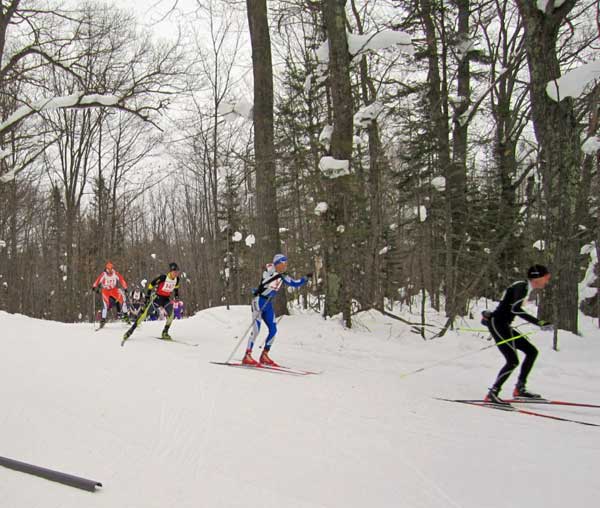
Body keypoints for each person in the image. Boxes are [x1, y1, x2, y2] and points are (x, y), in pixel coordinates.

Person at [483, 264, 553, 404]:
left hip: (504, 325)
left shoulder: (524, 288)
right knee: (512, 361)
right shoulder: (522, 287)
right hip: (498, 325)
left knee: (531, 351)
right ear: (537, 277)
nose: (547, 281)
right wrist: (538, 322)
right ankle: (493, 393)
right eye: (546, 277)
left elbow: (509, 305)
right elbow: (515, 309)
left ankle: (519, 389)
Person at [243, 254, 311, 366]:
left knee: (273, 330)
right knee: (256, 329)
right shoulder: (270, 271)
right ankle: (247, 355)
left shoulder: (282, 275)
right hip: (259, 301)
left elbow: (294, 283)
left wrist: (305, 279)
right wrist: (275, 271)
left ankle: (264, 355)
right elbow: (268, 273)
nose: (285, 266)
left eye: (286, 264)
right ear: (278, 264)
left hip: (268, 304)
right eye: (283, 263)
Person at [122, 262, 181, 343]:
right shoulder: (163, 277)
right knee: (144, 315)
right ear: (171, 271)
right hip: (157, 298)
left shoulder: (177, 279)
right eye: (175, 272)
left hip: (166, 299)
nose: (176, 274)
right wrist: (147, 296)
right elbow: (151, 285)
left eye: (177, 272)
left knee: (171, 315)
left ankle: (165, 332)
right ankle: (130, 331)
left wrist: (176, 295)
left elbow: (176, 288)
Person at [92, 261, 129, 328]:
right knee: (106, 305)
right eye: (108, 269)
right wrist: (94, 286)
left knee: (123, 301)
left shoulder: (115, 274)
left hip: (113, 290)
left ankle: (126, 317)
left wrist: (125, 288)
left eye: (111, 269)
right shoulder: (103, 274)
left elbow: (121, 280)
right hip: (105, 291)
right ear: (106, 269)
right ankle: (103, 320)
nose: (110, 271)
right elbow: (98, 280)